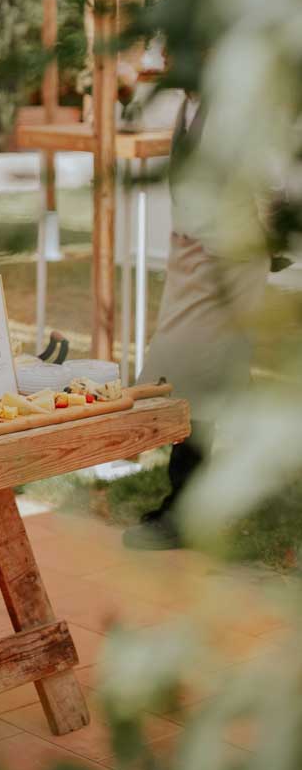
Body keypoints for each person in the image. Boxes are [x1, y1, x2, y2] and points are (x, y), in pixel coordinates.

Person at [124, 93, 270, 549]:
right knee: (201, 377)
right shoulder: (194, 99)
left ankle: (188, 512)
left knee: (195, 382)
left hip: (225, 257)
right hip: (195, 254)